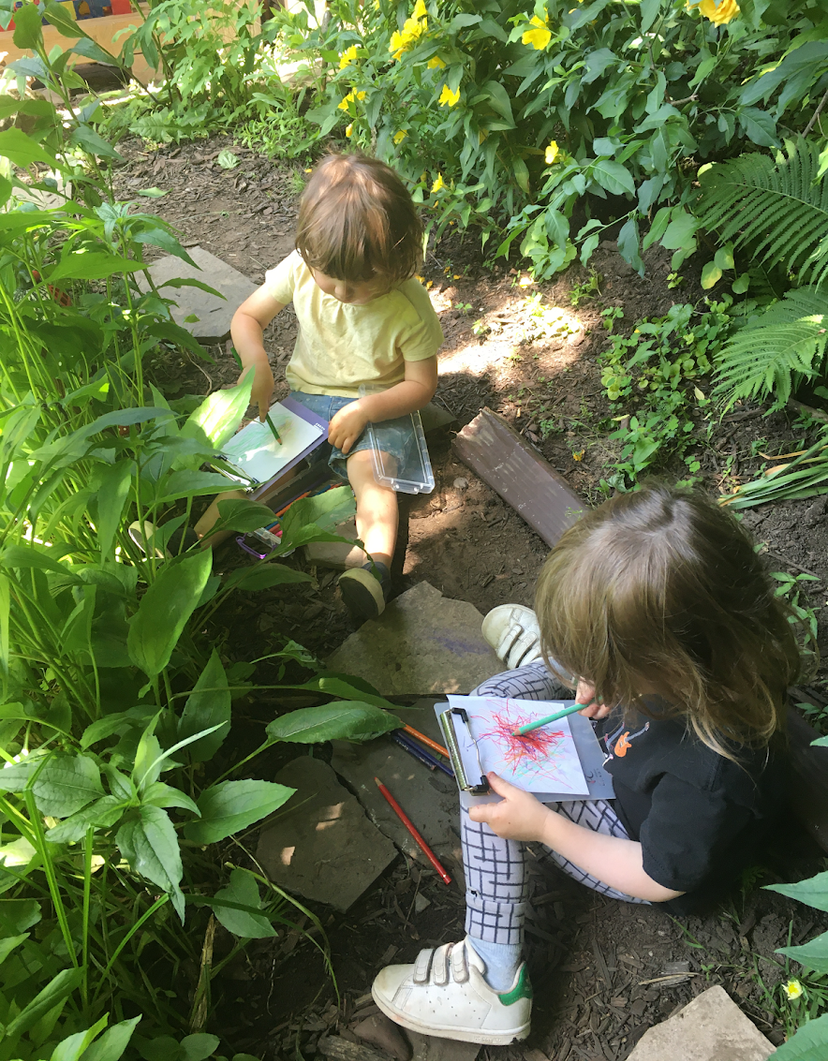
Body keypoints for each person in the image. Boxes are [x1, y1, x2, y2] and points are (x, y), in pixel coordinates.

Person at [372, 484, 801, 1045]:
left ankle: (491, 976)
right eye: (591, 663)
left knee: (491, 786)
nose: (597, 686)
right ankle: (574, 660)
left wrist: (544, 826)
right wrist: (599, 679)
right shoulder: (719, 657)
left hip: (625, 839)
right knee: (495, 698)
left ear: (671, 664)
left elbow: (654, 877)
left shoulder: (713, 776)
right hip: (618, 744)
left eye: (611, 667)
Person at [199, 151, 443, 622]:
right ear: (309, 252)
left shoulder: (409, 304)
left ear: (395, 261)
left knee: (373, 479)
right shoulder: (301, 268)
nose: (343, 295)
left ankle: (373, 569)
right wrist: (257, 363)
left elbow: (421, 385)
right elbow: (248, 316)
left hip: (379, 405)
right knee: (249, 471)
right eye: (331, 281)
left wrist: (367, 410)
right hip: (308, 399)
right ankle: (190, 546)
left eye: (360, 285)